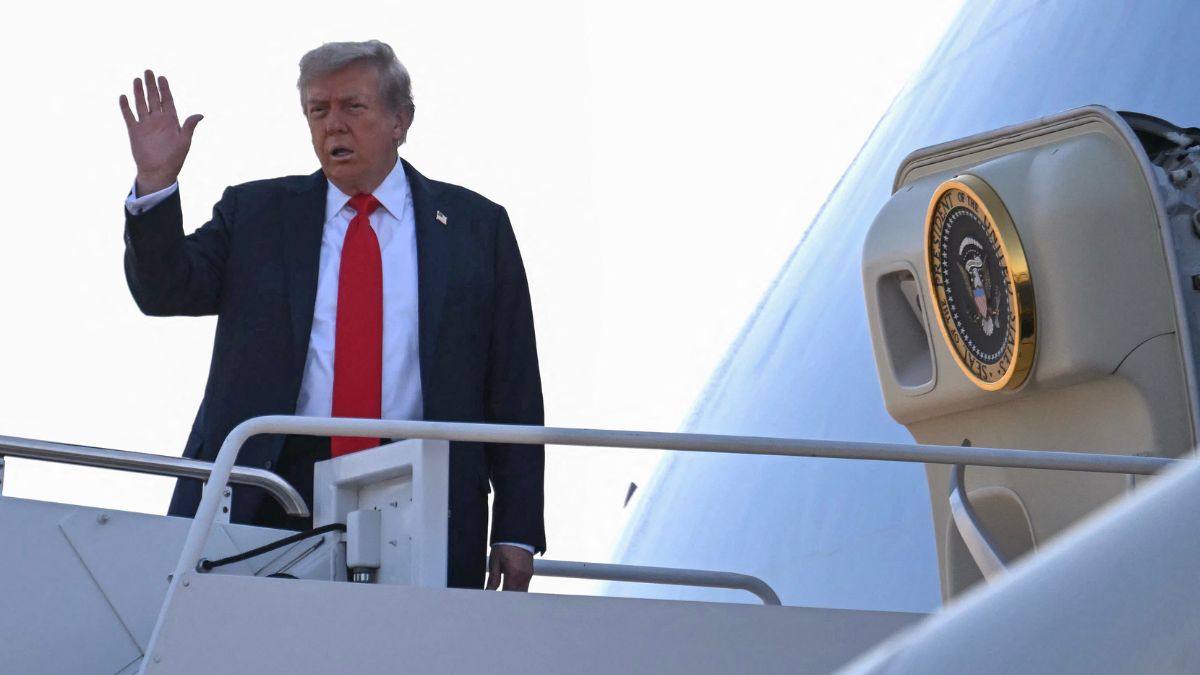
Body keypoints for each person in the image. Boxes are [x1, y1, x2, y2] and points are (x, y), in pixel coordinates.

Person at [119, 40, 544, 591]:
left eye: (353, 107)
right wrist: (156, 184)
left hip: (422, 486)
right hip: (267, 486)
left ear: (400, 119)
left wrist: (517, 528)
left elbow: (513, 386)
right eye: (318, 111)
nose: (334, 126)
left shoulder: (474, 228)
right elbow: (165, 290)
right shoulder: (257, 214)